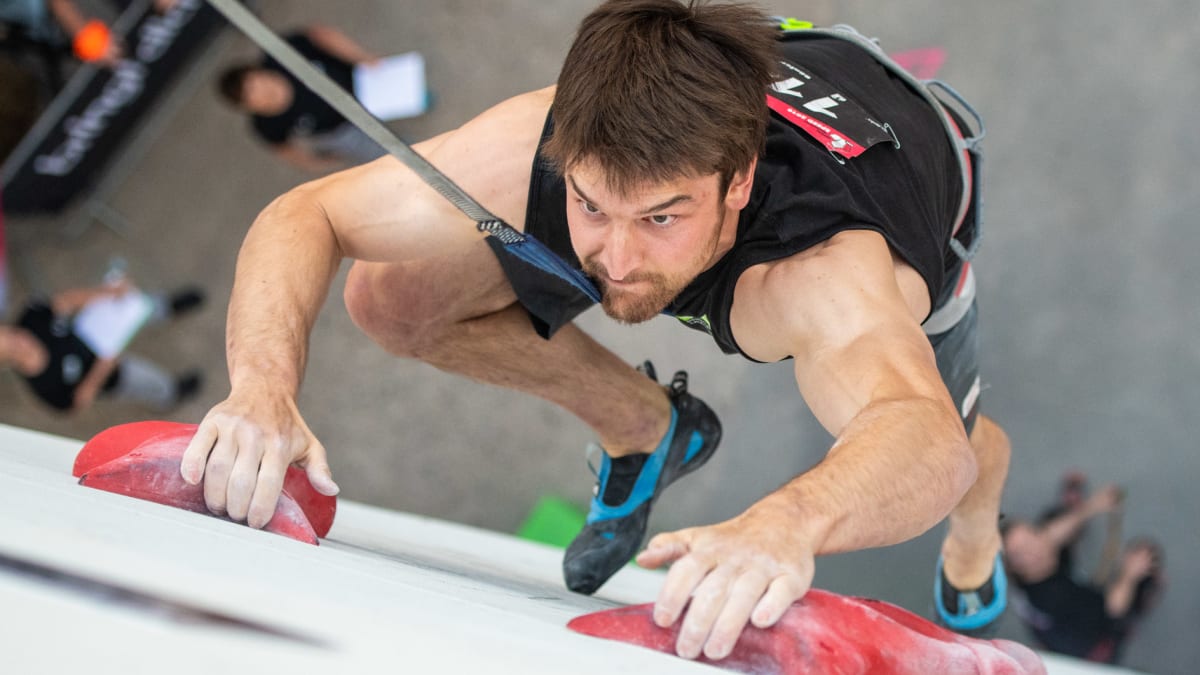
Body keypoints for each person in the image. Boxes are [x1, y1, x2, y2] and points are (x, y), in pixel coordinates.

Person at [183, 1, 1011, 661]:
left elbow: (925, 438)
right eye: (589, 204)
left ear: (736, 182)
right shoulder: (543, 143)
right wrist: (261, 387)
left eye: (660, 216)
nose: (613, 258)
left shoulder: (821, 268)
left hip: (912, 168)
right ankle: (650, 428)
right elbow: (308, 210)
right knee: (390, 299)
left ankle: (976, 545)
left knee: (969, 446)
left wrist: (788, 522)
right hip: (759, 66)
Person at [1003, 475, 1164, 665]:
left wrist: (1093, 506)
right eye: (1023, 551)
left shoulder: (1025, 572)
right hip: (1089, 644)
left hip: (1050, 630)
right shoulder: (1058, 596)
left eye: (1033, 534)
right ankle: (1143, 598)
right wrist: (1129, 574)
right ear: (1015, 566)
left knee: (1053, 520)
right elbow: (1111, 609)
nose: (1038, 545)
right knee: (1139, 574)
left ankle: (1071, 510)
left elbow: (1049, 535)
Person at [216, 24, 404, 172]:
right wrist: (314, 164)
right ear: (248, 107)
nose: (262, 93)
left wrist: (362, 57)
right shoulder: (266, 125)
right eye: (251, 97)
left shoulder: (281, 54)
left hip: (362, 86)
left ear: (257, 71)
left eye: (255, 84)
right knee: (392, 156)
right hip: (341, 131)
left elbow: (322, 36)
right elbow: (282, 149)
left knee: (405, 94)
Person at [0, 279, 205, 413]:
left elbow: (65, 301)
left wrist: (104, 293)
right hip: (112, 374)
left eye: (13, 333)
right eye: (14, 347)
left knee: (136, 308)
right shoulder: (44, 385)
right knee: (149, 381)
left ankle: (168, 306)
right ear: (10, 362)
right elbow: (77, 401)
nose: (23, 339)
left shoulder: (30, 318)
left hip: (98, 327)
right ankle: (173, 392)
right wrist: (102, 368)